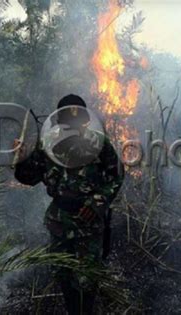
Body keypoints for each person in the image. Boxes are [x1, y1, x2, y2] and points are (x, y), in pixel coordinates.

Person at [14, 94, 124, 314]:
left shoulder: (98, 142)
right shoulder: (48, 143)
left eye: (76, 118)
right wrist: (22, 158)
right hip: (60, 221)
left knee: (87, 279)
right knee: (63, 273)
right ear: (59, 120)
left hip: (88, 222)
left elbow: (117, 174)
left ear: (84, 120)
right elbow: (29, 177)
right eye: (67, 118)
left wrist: (97, 203)